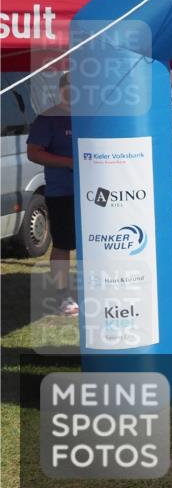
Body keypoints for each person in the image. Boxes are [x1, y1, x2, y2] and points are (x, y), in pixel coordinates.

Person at [26, 73, 78, 316]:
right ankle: (63, 296)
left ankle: (98, 287)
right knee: (63, 245)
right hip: (63, 193)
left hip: (97, 192)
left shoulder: (94, 115)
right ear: (62, 89)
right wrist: (67, 162)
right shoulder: (48, 119)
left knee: (98, 242)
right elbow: (33, 152)